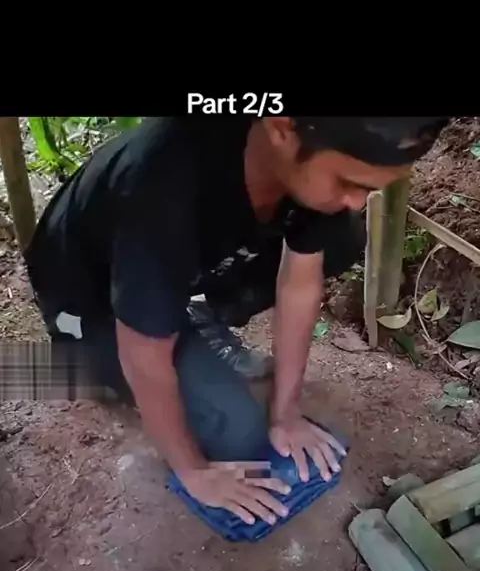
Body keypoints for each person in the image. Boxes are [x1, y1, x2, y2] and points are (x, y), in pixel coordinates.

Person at [24, 115, 449, 526]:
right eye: (348, 182)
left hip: (166, 261)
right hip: (88, 296)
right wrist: (194, 472)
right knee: (238, 435)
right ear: (282, 127)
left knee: (341, 238)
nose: (357, 201)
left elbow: (299, 285)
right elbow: (142, 355)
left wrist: (285, 413)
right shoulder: (164, 188)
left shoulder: (309, 143)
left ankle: (184, 309)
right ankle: (98, 353)